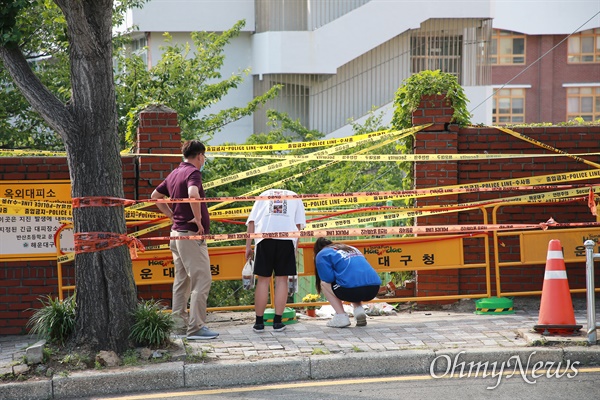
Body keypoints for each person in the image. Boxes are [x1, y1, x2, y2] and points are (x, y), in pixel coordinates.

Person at [151, 140, 219, 340]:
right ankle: (196, 327)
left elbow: (155, 195)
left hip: (176, 234)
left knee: (182, 281)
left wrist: (171, 215)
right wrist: (198, 220)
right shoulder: (193, 173)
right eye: (204, 157)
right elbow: (192, 194)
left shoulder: (175, 173)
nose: (204, 160)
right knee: (202, 279)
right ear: (199, 155)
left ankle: (178, 324)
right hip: (190, 235)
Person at [245, 189, 306, 333]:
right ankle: (278, 322)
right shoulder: (294, 195)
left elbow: (251, 222)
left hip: (264, 239)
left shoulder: (263, 195)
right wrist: (295, 247)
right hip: (286, 239)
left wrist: (248, 246)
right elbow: (298, 225)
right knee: (282, 280)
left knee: (263, 280)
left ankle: (259, 323)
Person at [313, 237, 381, 328]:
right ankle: (359, 310)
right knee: (352, 281)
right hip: (373, 289)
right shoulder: (351, 248)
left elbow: (328, 278)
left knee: (324, 283)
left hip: (351, 290)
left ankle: (341, 316)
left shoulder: (322, 254)